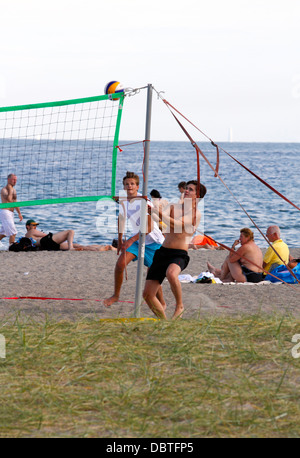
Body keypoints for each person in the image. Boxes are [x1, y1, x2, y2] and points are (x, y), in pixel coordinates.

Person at [143, 180, 207, 320]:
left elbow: (178, 224)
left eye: (190, 189)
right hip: (162, 252)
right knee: (147, 295)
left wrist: (159, 213)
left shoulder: (196, 213)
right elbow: (158, 218)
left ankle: (180, 306)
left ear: (198, 196)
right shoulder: (173, 207)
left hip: (179, 254)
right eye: (186, 188)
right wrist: (149, 209)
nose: (186, 191)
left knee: (171, 274)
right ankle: (164, 322)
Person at [103, 171, 165, 307]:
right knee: (120, 265)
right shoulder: (123, 200)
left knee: (152, 276)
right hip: (138, 240)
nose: (129, 186)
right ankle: (116, 295)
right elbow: (122, 218)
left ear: (137, 187)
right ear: (124, 187)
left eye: (132, 184)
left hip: (153, 242)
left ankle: (162, 304)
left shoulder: (143, 201)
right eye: (126, 184)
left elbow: (148, 228)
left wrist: (130, 240)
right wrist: (120, 239)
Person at [25, 219, 116, 251]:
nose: (35, 227)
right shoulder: (30, 232)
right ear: (28, 226)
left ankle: (104, 248)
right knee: (70, 232)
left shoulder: (27, 238)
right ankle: (70, 248)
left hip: (47, 246)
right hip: (47, 242)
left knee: (78, 245)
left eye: (36, 226)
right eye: (33, 225)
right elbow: (45, 235)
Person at [0, 174, 23, 245]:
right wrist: (10, 189)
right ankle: (11, 248)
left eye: (16, 180)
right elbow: (10, 200)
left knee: (4, 233)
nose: (15, 181)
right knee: (13, 232)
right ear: (8, 180)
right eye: (13, 179)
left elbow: (15, 202)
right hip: (5, 212)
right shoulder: (4, 190)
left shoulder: (14, 190)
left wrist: (19, 213)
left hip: (11, 213)